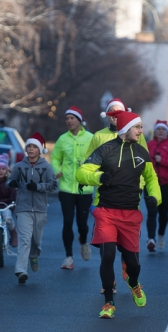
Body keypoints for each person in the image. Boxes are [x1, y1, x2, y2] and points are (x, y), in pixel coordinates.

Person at [76, 111, 161, 319]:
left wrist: (154, 198)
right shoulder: (105, 150)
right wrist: (99, 177)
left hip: (131, 213)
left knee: (133, 264)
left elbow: (152, 179)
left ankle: (133, 282)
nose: (141, 131)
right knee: (107, 255)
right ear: (125, 129)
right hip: (106, 211)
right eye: (138, 127)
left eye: (141, 127)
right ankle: (108, 303)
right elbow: (81, 173)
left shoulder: (142, 151)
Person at [85, 97, 149, 292]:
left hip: (130, 198)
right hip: (104, 199)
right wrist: (95, 179)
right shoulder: (99, 137)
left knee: (128, 250)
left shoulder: (137, 136)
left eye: (119, 112)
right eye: (112, 112)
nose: (115, 116)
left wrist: (141, 185)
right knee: (107, 249)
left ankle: (127, 265)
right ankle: (108, 283)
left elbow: (144, 164)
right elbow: (88, 165)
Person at [7, 133, 57, 283]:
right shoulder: (19, 166)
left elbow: (53, 185)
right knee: (24, 240)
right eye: (28, 146)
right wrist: (12, 184)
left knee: (36, 240)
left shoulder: (46, 167)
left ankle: (34, 256)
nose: (31, 149)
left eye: (34, 147)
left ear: (40, 149)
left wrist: (38, 187)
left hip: (40, 209)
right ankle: (21, 270)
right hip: (23, 207)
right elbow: (10, 180)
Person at [51, 106, 95, 270]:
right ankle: (68, 257)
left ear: (79, 120)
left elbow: (98, 160)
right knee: (68, 222)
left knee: (82, 224)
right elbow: (55, 158)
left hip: (85, 188)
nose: (69, 121)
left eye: (72, 118)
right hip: (66, 188)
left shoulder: (91, 138)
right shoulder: (63, 139)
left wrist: (89, 167)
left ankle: (83, 241)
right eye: (67, 118)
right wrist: (57, 170)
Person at [144, 120, 168, 251]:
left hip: (167, 183)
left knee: (163, 213)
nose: (160, 131)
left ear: (167, 132)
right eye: (158, 129)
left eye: (163, 129)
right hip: (150, 184)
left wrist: (163, 161)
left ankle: (161, 234)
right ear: (154, 131)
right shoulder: (148, 145)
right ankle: (151, 239)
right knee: (152, 212)